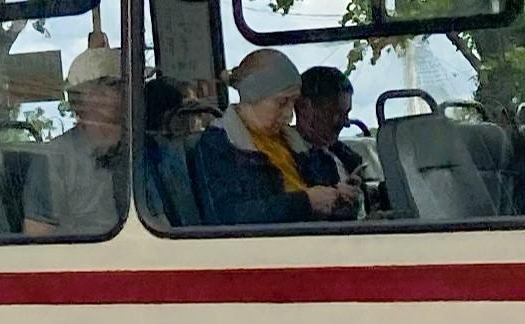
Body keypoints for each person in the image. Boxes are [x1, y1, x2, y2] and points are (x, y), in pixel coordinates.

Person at [188, 49, 359, 225]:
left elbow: (320, 183)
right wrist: (305, 203)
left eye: (293, 102)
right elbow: (227, 217)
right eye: (282, 102)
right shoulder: (220, 145)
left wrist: (337, 196)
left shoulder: (292, 141)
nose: (289, 115)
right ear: (253, 96)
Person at [22, 40, 129, 237]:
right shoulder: (54, 159)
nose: (129, 93)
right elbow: (37, 239)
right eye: (116, 85)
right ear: (87, 98)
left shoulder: (136, 149)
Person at [135, 76, 201, 228]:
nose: (194, 118)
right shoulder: (161, 156)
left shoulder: (187, 148)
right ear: (169, 116)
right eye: (184, 112)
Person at [294, 64, 365, 200]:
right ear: (304, 107)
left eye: (347, 114)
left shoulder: (345, 155)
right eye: (336, 113)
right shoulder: (290, 160)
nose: (346, 123)